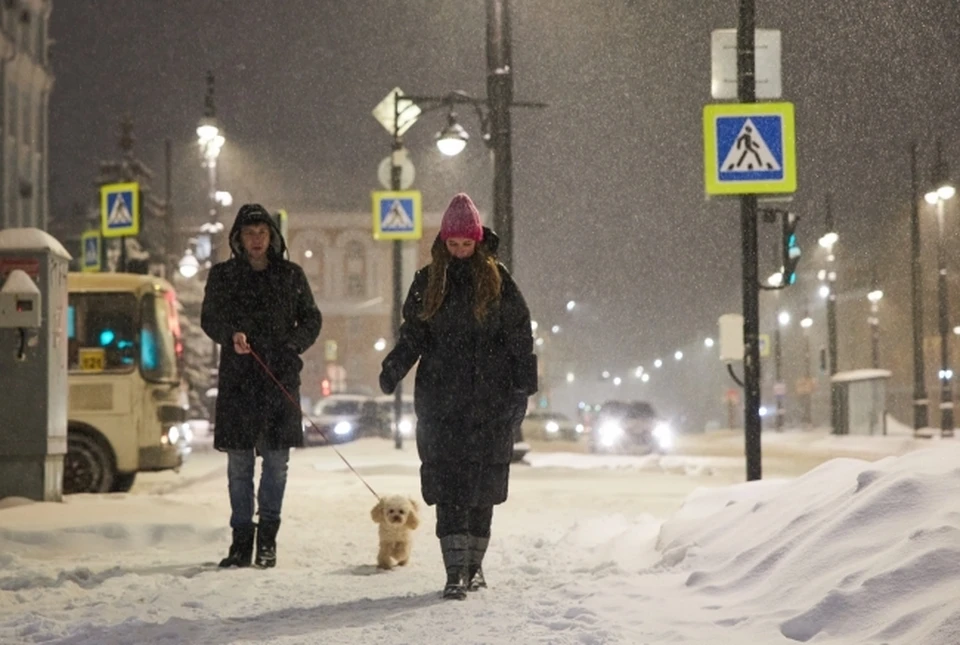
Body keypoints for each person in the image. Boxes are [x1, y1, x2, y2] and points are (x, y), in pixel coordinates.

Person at [378, 193, 537, 600]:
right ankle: (454, 573)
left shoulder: (499, 281)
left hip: (491, 400)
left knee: (483, 486)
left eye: (467, 245)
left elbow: (520, 338)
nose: (461, 252)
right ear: (443, 242)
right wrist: (394, 367)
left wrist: (523, 388)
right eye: (454, 245)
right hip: (441, 400)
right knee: (448, 485)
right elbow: (413, 333)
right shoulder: (428, 282)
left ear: (478, 241)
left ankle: (474, 566)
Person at [201, 203, 322, 569]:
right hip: (239, 380)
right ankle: (241, 540)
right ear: (238, 238)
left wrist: (292, 346)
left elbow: (312, 319)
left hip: (279, 379)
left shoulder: (290, 275)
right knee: (239, 465)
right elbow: (210, 318)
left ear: (272, 237)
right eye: (249, 234)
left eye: (262, 233)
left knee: (276, 464)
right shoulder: (223, 276)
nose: (256, 240)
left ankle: (267, 538)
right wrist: (230, 335)